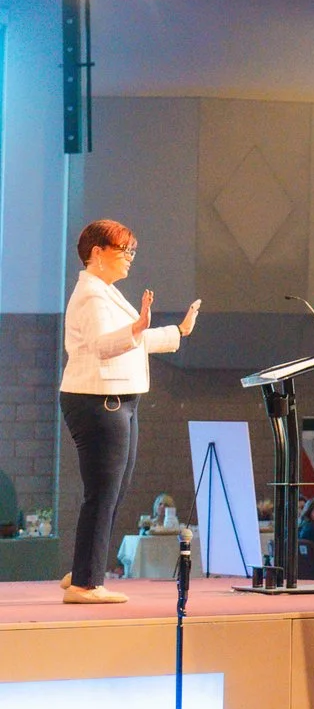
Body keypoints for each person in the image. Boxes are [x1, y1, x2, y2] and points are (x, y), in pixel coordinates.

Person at [57, 218, 200, 604]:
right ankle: (87, 584)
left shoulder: (104, 291)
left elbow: (132, 340)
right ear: (97, 253)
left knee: (113, 490)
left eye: (132, 251)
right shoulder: (91, 295)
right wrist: (137, 327)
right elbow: (105, 345)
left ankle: (83, 567)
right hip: (99, 400)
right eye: (124, 251)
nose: (130, 259)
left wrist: (178, 331)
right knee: (103, 492)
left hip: (120, 399)